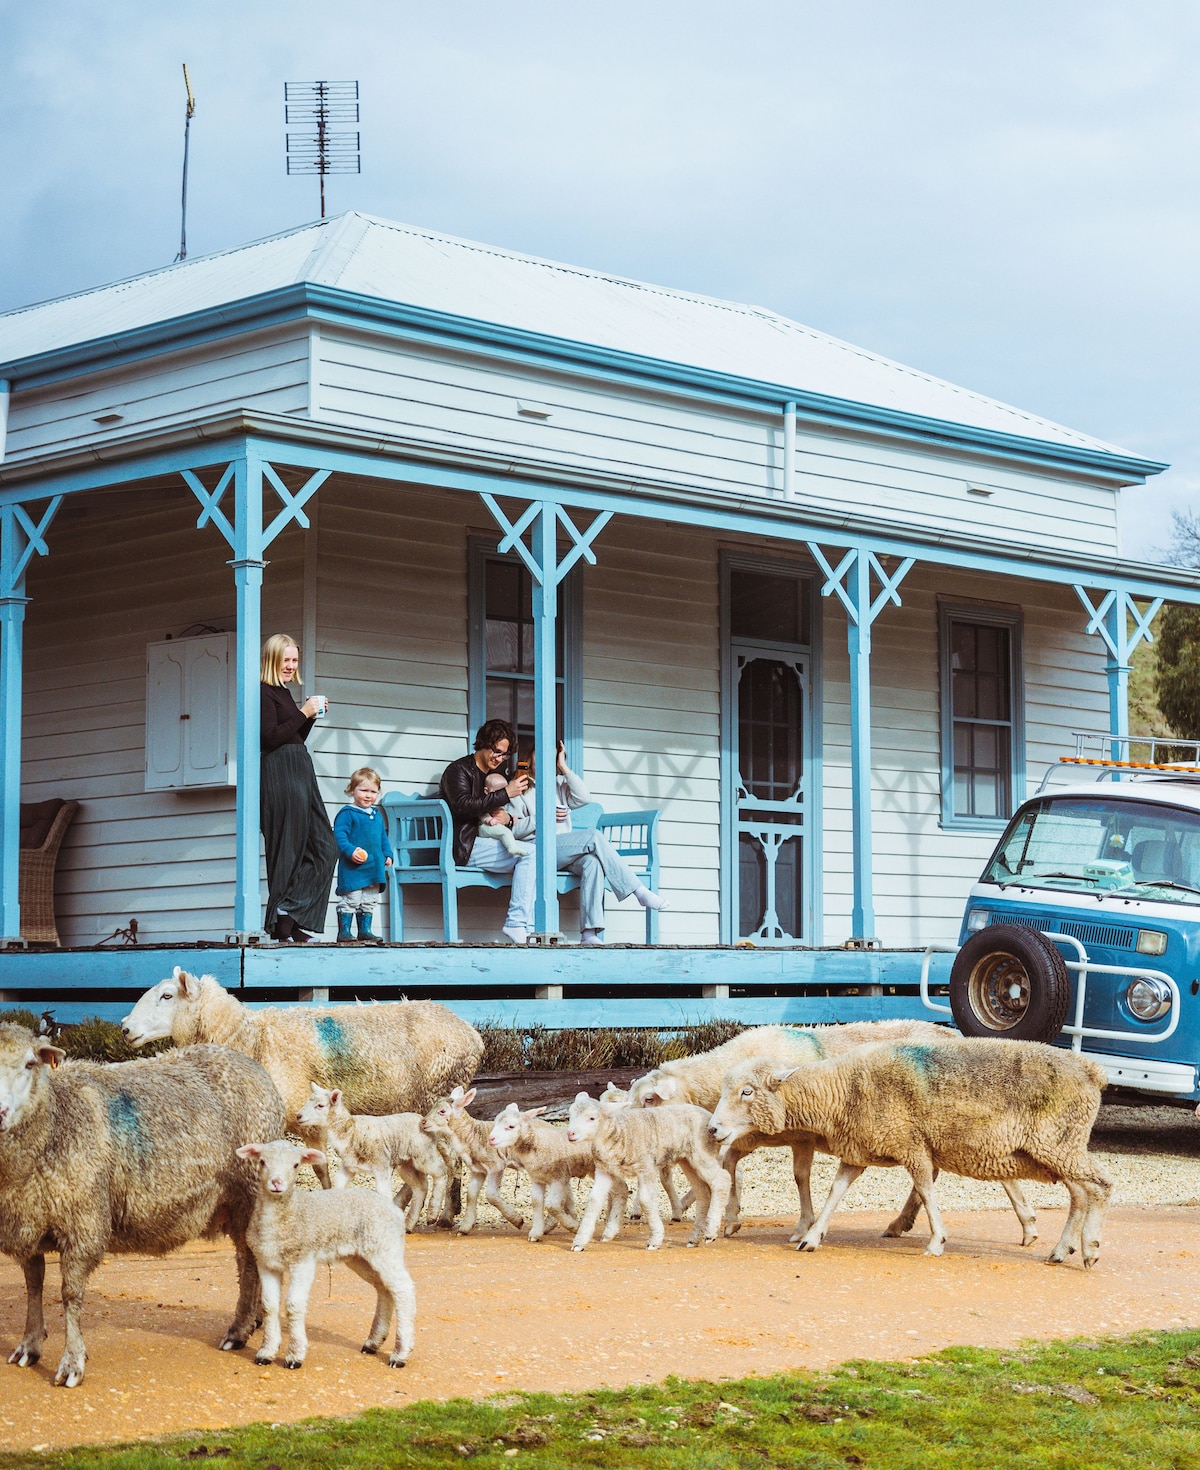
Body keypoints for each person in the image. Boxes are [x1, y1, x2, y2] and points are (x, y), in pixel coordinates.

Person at [507, 741, 668, 946]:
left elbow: (584, 798)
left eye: (552, 756)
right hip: (537, 849)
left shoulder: (559, 785)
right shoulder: (520, 787)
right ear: (529, 757)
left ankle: (589, 934)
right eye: (541, 754)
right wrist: (543, 817)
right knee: (593, 837)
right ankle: (639, 891)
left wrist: (564, 767)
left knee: (592, 862)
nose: (546, 759)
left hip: (562, 852)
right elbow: (515, 831)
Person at [259, 632, 337, 943]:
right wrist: (303, 712)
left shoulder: (284, 693)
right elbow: (270, 739)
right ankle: (284, 924)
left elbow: (293, 737)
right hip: (281, 773)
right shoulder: (264, 693)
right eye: (285, 660)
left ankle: (288, 914)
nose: (290, 665)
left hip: (300, 770)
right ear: (272, 660)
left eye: (294, 660)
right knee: (289, 849)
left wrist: (310, 716)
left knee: (326, 848)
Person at [437, 720, 532, 945]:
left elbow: (496, 813)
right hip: (464, 846)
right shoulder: (458, 770)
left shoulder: (496, 775)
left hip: (487, 841)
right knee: (532, 856)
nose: (499, 759)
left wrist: (508, 819)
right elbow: (464, 806)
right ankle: (517, 923)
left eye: (505, 755)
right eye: (497, 752)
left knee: (534, 855)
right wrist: (506, 793)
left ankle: (526, 926)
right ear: (483, 744)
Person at [333, 767, 394, 945]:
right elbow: (340, 836)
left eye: (373, 792)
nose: (368, 795)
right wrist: (351, 851)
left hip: (374, 866)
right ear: (352, 790)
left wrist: (387, 854)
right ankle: (344, 932)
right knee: (352, 898)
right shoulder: (347, 813)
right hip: (354, 867)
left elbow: (383, 837)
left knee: (369, 899)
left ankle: (364, 931)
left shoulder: (376, 815)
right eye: (364, 790)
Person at [477, 772, 532, 858]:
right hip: (485, 827)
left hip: (495, 828)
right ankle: (512, 847)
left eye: (505, 790)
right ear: (486, 791)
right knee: (504, 832)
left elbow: (506, 813)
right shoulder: (486, 802)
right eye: (498, 791)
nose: (502, 794)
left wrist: (511, 818)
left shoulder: (503, 803)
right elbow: (482, 813)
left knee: (504, 832)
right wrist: (489, 819)